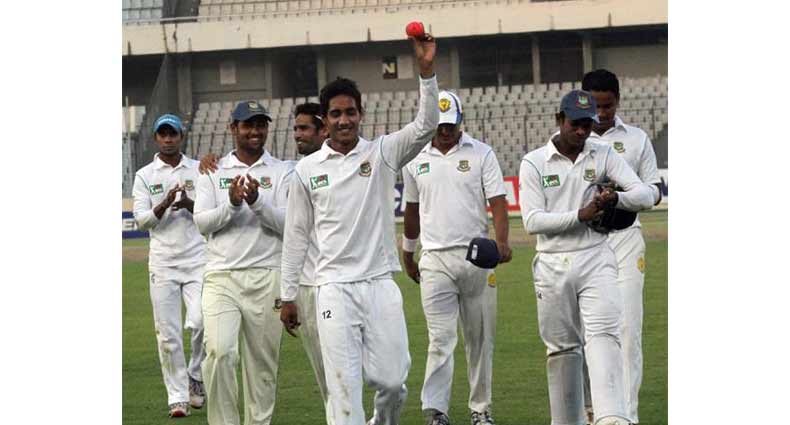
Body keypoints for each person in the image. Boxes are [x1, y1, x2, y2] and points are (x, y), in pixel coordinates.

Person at [279, 33, 439, 425]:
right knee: (343, 389)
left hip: (379, 284)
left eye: (350, 112)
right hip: (333, 288)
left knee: (393, 381)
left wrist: (426, 71)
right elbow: (296, 235)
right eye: (335, 114)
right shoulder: (307, 170)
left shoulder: (382, 153)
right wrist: (288, 295)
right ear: (325, 120)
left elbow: (426, 125)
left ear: (361, 114)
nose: (344, 120)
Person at [518, 90, 655, 425]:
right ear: (559, 120)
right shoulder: (534, 162)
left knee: (605, 336)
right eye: (575, 124)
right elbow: (532, 221)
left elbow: (644, 194)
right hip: (551, 262)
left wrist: (615, 199)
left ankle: (612, 418)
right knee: (563, 350)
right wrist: (580, 214)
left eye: (587, 125)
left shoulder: (603, 152)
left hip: (596, 257)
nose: (582, 131)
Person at [400, 90, 510, 425]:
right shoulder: (414, 157)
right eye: (440, 124)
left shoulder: (482, 153)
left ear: (461, 120)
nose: (445, 130)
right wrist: (408, 252)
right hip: (434, 259)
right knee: (440, 339)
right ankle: (437, 412)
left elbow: (498, 201)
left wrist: (502, 243)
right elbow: (412, 210)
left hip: (477, 256)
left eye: (451, 124)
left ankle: (481, 409)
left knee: (480, 340)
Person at [193, 100, 294, 425]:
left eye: (260, 124)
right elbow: (202, 223)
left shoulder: (282, 171)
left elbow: (289, 225)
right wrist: (233, 205)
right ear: (233, 128)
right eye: (248, 124)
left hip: (267, 276)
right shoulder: (213, 170)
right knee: (219, 353)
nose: (255, 131)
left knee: (262, 367)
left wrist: (257, 201)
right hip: (222, 276)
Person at [579, 69, 663, 425]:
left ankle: (626, 416)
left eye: (608, 106)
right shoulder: (568, 140)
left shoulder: (637, 139)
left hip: (626, 240)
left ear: (618, 101)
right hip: (583, 243)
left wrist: (620, 199)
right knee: (586, 332)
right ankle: (589, 411)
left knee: (627, 331)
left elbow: (654, 191)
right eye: (595, 106)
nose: (601, 114)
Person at [132, 113, 207, 418]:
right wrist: (163, 203)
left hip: (197, 259)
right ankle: (177, 397)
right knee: (168, 334)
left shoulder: (199, 169)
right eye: (163, 134)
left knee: (202, 321)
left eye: (172, 134)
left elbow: (210, 211)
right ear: (156, 138)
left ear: (180, 137)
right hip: (163, 263)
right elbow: (142, 221)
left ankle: (195, 375)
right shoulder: (144, 175)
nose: (168, 139)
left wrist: (188, 203)